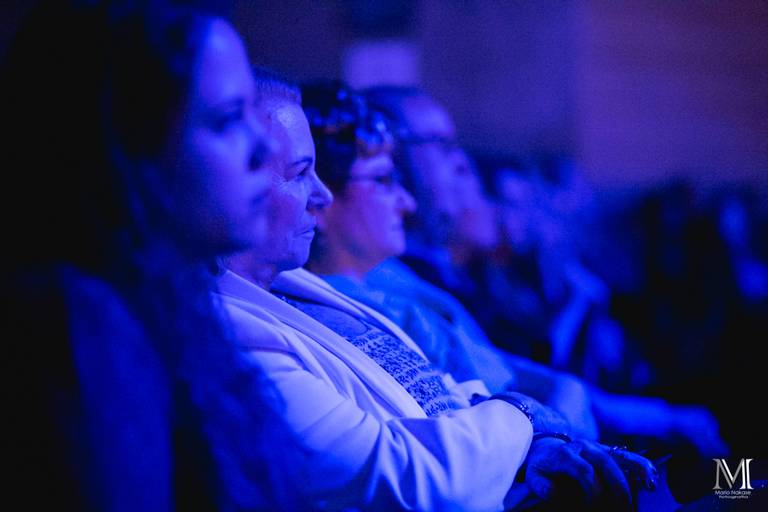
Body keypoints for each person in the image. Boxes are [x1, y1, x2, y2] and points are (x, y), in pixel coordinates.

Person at [217, 75, 656, 511]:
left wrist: (533, 446)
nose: (323, 195)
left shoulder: (294, 287)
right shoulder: (230, 335)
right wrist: (525, 415)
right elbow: (410, 477)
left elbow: (453, 391)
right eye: (299, 173)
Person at [4, 2, 299, 509]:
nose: (260, 148)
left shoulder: (170, 303)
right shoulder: (78, 322)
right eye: (228, 120)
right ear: (127, 141)